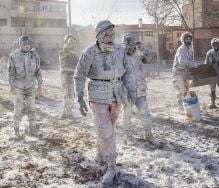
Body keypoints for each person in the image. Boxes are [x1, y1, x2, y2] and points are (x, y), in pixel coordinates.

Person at [74, 20, 136, 184]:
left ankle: (101, 154)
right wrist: (79, 97)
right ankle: (111, 166)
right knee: (106, 131)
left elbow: (128, 73)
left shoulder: (120, 50)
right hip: (98, 94)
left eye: (112, 35)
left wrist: (131, 91)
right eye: (106, 35)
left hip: (117, 94)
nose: (110, 38)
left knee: (110, 128)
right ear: (99, 35)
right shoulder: (89, 52)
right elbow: (79, 75)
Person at [8, 35, 43, 138]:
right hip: (18, 86)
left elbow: (38, 72)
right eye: (24, 44)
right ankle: (16, 131)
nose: (27, 46)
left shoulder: (34, 56)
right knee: (18, 108)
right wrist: (11, 87)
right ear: (20, 44)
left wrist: (40, 86)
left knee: (32, 109)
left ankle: (33, 129)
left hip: (30, 86)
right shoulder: (13, 56)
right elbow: (11, 73)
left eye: (28, 44)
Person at [120, 33, 153, 142]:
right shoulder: (120, 55)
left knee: (145, 112)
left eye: (132, 43)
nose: (130, 47)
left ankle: (148, 134)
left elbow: (148, 60)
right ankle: (128, 136)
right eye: (127, 43)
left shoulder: (138, 53)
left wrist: (142, 48)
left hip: (140, 88)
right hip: (127, 90)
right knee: (127, 113)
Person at [172, 32, 199, 110]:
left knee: (187, 88)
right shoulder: (181, 49)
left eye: (190, 39)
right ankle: (180, 106)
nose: (189, 40)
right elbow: (182, 61)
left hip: (186, 71)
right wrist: (192, 64)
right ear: (183, 40)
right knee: (180, 88)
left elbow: (190, 60)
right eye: (187, 39)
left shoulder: (190, 49)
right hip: (178, 71)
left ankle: (186, 104)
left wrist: (195, 64)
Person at [59, 35, 79, 119]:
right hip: (66, 76)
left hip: (73, 77)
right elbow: (63, 56)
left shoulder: (75, 53)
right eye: (70, 42)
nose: (72, 43)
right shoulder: (63, 51)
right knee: (68, 94)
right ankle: (68, 113)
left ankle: (64, 112)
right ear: (66, 42)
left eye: (73, 42)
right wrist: (67, 46)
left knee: (70, 95)